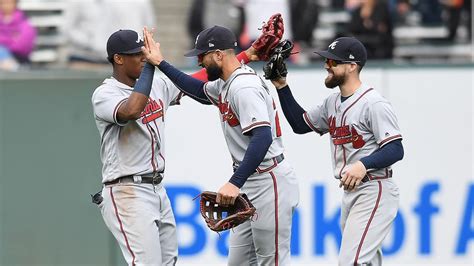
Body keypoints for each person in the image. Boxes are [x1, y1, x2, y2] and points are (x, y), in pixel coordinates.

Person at [91, 20, 281, 265]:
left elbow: (196, 82)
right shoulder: (105, 93)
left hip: (156, 188)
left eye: (144, 53)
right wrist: (152, 64)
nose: (143, 57)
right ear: (118, 59)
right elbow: (132, 110)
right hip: (127, 190)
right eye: (137, 55)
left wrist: (247, 55)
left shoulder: (157, 84)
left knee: (169, 261)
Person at [141, 25, 300, 265]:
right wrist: (161, 63)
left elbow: (262, 137)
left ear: (218, 55)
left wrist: (235, 183)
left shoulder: (243, 86)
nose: (199, 62)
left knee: (273, 261)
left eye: (202, 55)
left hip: (270, 180)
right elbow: (197, 90)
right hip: (251, 179)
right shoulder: (227, 82)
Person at [269, 37, 403, 265]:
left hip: (375, 188)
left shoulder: (373, 103)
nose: (326, 65)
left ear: (352, 66)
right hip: (352, 192)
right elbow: (300, 124)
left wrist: (363, 165)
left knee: (351, 261)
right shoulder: (332, 102)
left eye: (333, 61)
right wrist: (281, 86)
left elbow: (395, 149)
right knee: (366, 261)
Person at [64, 0, 156, 64]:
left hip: (117, 56)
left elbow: (148, 24)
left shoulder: (141, 2)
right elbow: (67, 29)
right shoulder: (77, 2)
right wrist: (90, 43)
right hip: (84, 57)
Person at [0, 0, 37, 70]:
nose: (5, 6)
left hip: (19, 59)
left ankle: (13, 67)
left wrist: (4, 43)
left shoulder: (24, 22)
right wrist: (12, 39)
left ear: (15, 3)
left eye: (8, 3)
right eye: (2, 3)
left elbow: (23, 46)